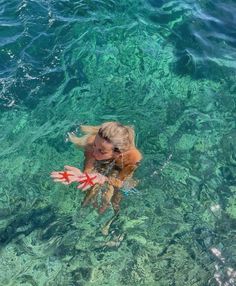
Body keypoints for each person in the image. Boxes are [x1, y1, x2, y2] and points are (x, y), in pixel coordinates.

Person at [51, 122, 142, 215]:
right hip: (103, 159)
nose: (94, 152)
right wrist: (80, 176)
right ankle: (80, 214)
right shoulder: (91, 144)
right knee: (92, 190)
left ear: (118, 153)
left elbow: (124, 185)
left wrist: (104, 179)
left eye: (101, 151)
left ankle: (112, 220)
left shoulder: (133, 158)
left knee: (113, 197)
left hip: (120, 166)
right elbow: (88, 173)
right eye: (95, 145)